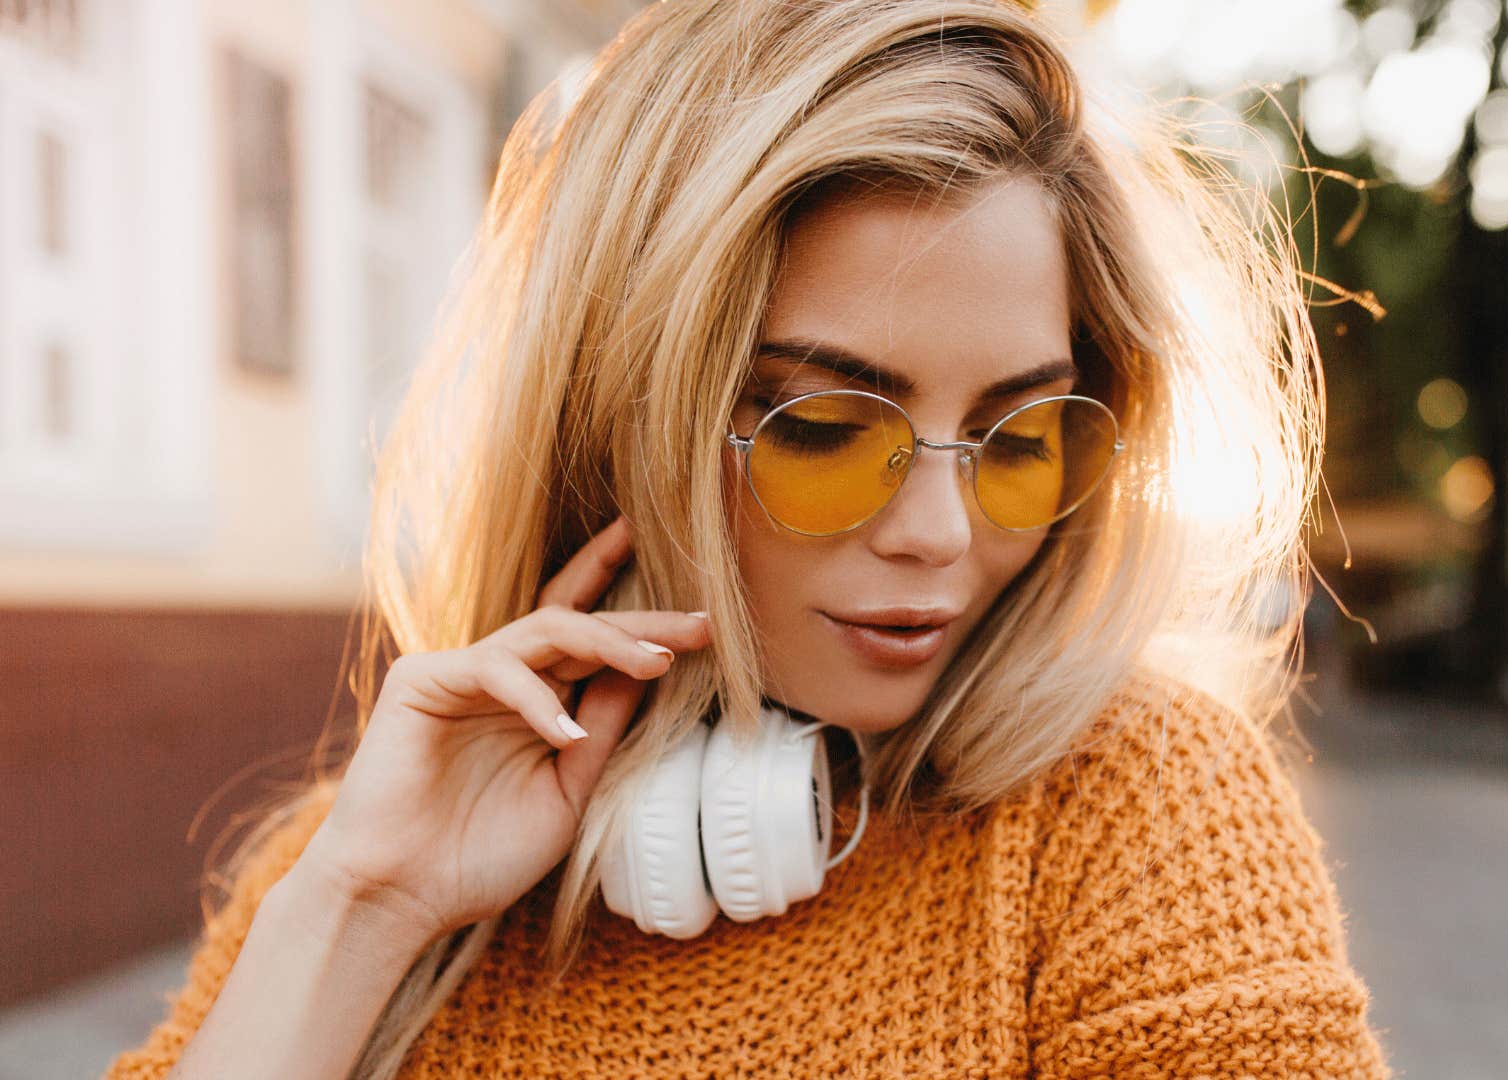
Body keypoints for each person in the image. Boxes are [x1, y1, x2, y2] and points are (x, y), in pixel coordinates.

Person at [106, 0, 1392, 1076]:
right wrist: (361, 911)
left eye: (1016, 438)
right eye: (826, 429)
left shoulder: (1132, 812)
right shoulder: (349, 868)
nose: (941, 536)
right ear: (622, 415)